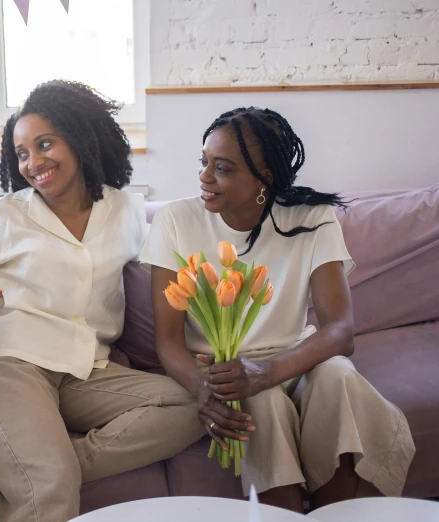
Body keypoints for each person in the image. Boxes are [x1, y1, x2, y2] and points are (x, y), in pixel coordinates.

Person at [0, 80, 205, 522]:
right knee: (49, 495)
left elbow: (171, 274)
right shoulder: (1, 216)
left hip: (84, 367)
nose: (33, 163)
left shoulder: (127, 212)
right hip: (5, 362)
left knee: (193, 404)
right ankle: (38, 478)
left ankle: (37, 472)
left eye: (45, 144)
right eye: (21, 153)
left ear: (81, 137)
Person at [141, 107, 415, 512]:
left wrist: (267, 372)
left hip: (293, 358)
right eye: (204, 163)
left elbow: (340, 331)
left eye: (223, 168)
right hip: (224, 369)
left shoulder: (313, 218)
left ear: (264, 178)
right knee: (261, 402)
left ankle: (333, 513)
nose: (204, 176)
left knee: (339, 376)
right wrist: (204, 390)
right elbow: (167, 341)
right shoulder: (176, 220)